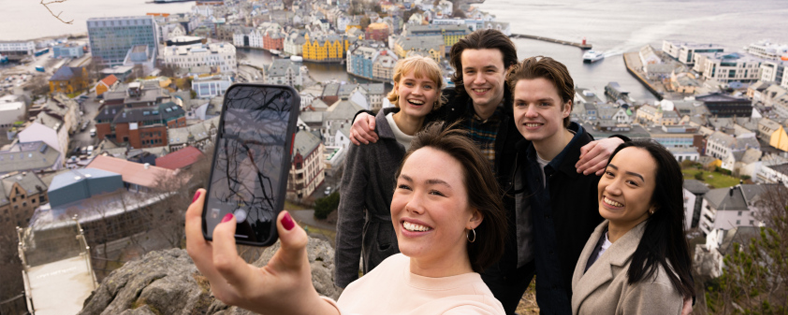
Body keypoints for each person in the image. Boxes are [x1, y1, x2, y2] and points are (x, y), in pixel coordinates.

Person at [349, 29, 624, 314]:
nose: (478, 80)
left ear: (508, 71)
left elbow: (562, 129)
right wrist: (366, 117)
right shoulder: (450, 108)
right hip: (451, 241)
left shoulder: (520, 113)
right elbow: (409, 107)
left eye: (489, 70)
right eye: (470, 71)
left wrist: (620, 142)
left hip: (505, 253)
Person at [185, 123, 509, 315]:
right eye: (404, 186)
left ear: (474, 215)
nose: (412, 204)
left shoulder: (469, 310)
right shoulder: (394, 265)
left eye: (436, 192)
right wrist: (299, 301)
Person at [335, 55, 445, 288]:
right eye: (409, 83)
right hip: (382, 252)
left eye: (427, 86)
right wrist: (346, 282)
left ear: (436, 95)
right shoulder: (368, 138)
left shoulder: (441, 140)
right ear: (396, 87)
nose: (417, 92)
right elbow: (350, 212)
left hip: (431, 250)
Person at [506, 56, 604, 314]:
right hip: (549, 303)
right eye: (521, 103)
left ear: (566, 108)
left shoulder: (599, 166)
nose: (530, 113)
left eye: (543, 103)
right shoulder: (519, 159)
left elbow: (653, 220)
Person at [571, 140, 695, 314]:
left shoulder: (651, 282)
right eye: (610, 174)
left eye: (632, 183)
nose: (612, 188)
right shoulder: (601, 235)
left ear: (656, 202)